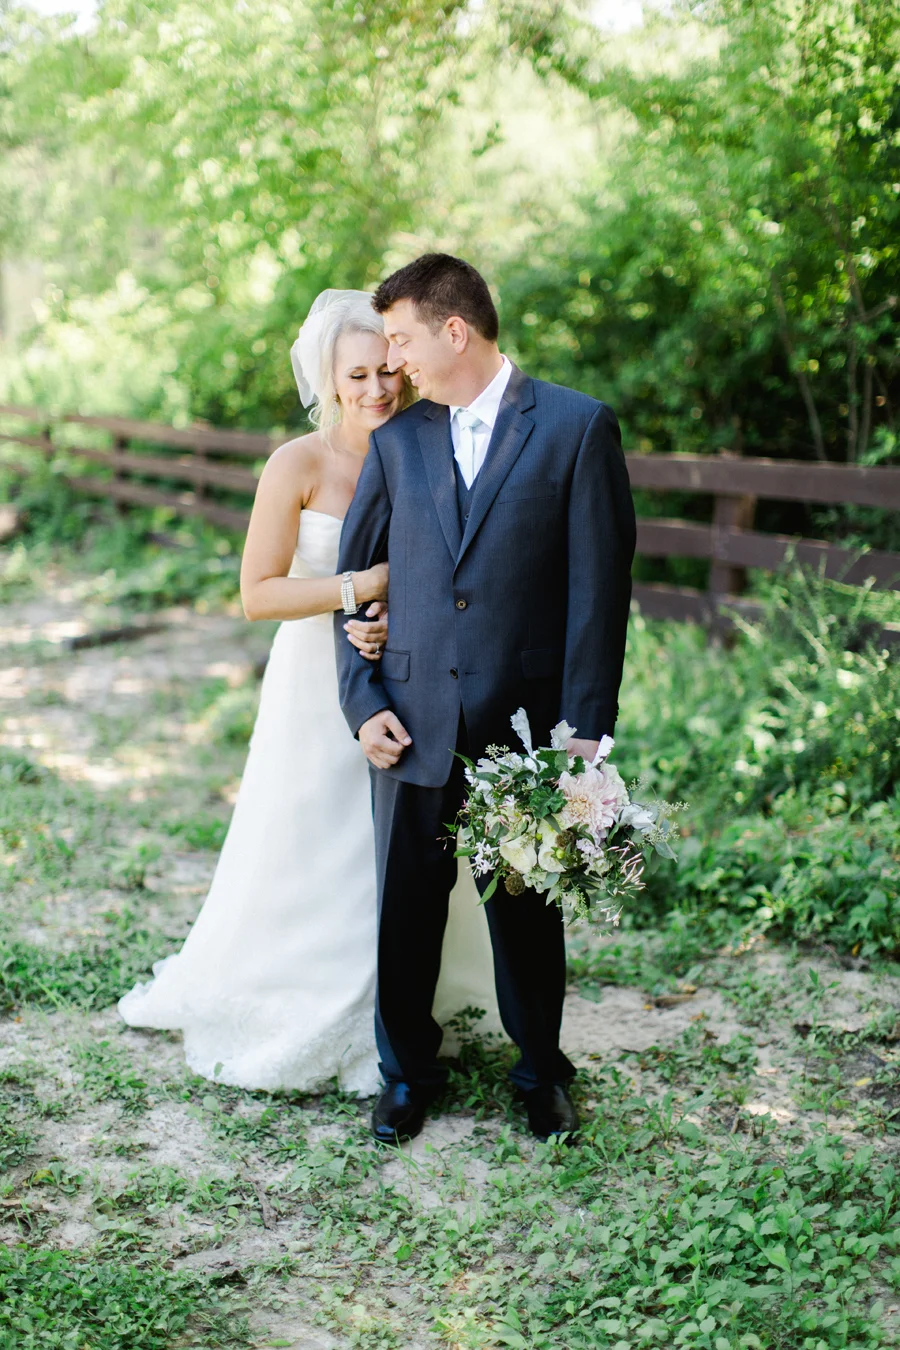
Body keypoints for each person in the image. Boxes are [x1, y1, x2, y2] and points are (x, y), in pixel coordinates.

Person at [119, 289, 500, 1093]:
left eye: (386, 371)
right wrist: (359, 587)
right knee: (310, 836)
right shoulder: (297, 462)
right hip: (308, 681)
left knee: (395, 848)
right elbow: (258, 594)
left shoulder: (428, 448)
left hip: (405, 675)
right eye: (356, 375)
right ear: (328, 382)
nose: (376, 389)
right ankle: (301, 1001)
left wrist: (396, 611)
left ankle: (398, 1010)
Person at [335, 255, 636, 1142]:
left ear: (453, 330)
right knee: (406, 908)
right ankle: (405, 1072)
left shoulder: (577, 429)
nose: (393, 365)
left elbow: (598, 594)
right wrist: (363, 701)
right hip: (412, 717)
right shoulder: (397, 443)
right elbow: (357, 586)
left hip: (526, 726)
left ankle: (542, 1070)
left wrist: (581, 735)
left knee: (525, 909)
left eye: (401, 340)